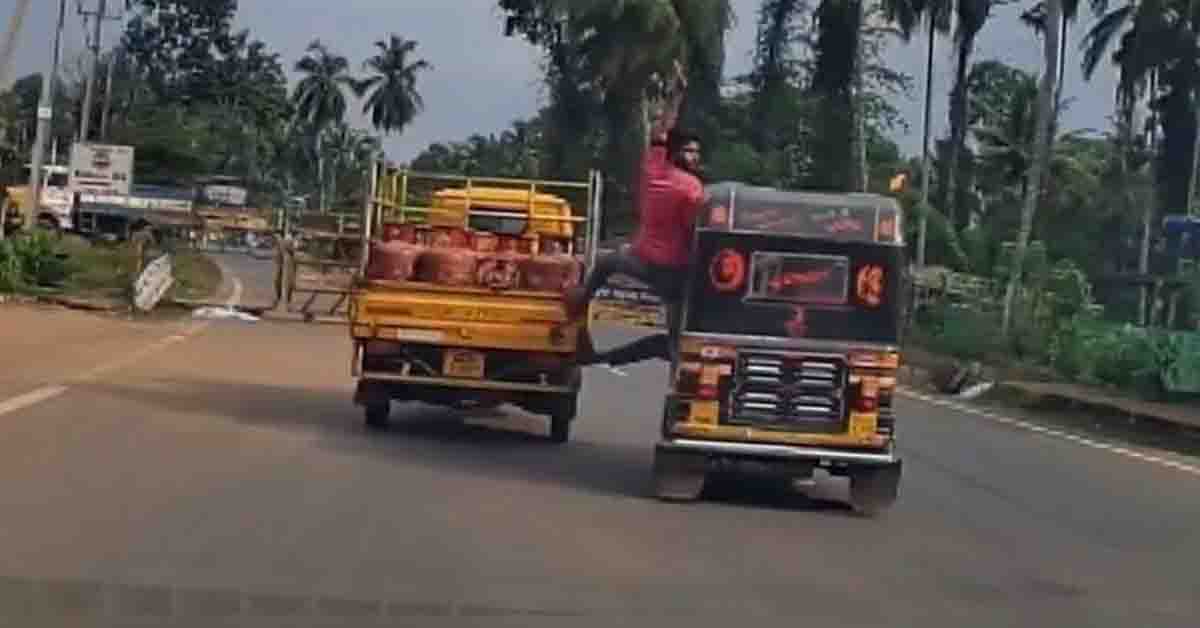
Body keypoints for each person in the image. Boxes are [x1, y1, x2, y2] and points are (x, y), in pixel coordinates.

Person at [565, 61, 706, 367]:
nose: (695, 158)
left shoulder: (653, 167)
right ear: (677, 154)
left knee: (608, 261)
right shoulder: (693, 189)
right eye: (691, 152)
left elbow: (661, 130)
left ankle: (583, 302)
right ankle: (610, 355)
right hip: (673, 271)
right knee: (673, 341)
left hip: (641, 260)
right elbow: (693, 232)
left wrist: (675, 97)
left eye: (697, 153)